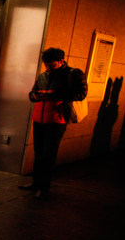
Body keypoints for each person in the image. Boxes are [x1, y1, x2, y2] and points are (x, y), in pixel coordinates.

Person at [19, 47, 87, 200]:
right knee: (38, 152)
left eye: (51, 64)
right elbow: (32, 93)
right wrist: (36, 96)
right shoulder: (43, 75)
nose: (48, 67)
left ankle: (44, 187)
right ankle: (35, 182)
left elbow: (81, 93)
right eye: (46, 64)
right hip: (39, 117)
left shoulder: (73, 74)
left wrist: (52, 94)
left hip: (57, 119)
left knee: (48, 154)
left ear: (61, 61)